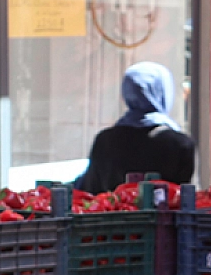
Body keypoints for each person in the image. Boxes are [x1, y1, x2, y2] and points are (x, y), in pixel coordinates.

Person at [76, 62, 196, 193]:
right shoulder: (180, 144)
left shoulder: (105, 140)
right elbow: (185, 199)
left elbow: (91, 190)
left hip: (110, 212)